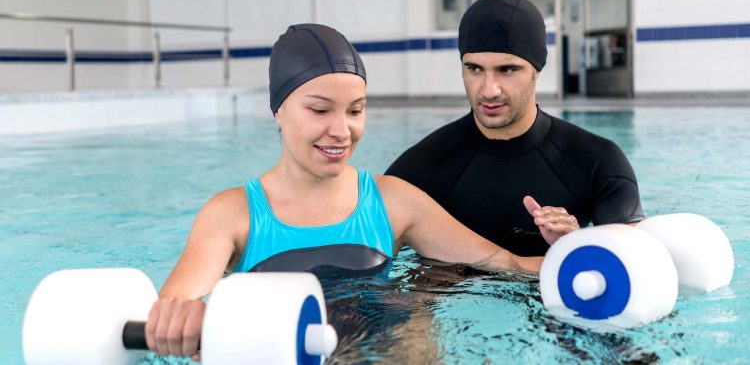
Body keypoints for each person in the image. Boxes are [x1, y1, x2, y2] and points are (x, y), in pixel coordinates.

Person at [144, 23, 578, 359]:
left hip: (388, 350)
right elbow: (177, 301)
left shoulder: (392, 201)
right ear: (278, 110)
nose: (341, 131)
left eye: (355, 111)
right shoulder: (233, 213)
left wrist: (575, 252)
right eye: (319, 110)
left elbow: (504, 263)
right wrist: (182, 317)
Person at [386, 0, 644, 257]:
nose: (489, 90)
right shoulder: (421, 167)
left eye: (507, 70)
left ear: (537, 69)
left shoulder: (599, 162)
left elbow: (635, 268)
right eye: (474, 69)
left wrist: (576, 245)